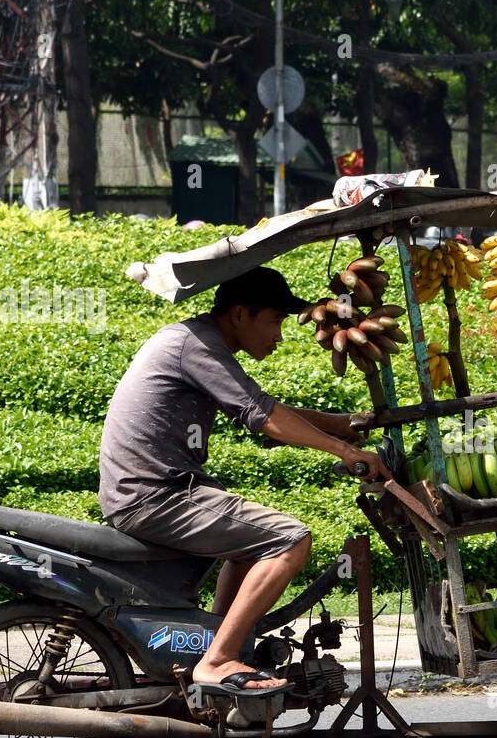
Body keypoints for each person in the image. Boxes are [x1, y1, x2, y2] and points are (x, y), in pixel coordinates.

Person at [98, 266, 388, 692]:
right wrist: (345, 450)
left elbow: (260, 406)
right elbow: (266, 418)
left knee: (252, 542)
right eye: (273, 321)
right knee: (289, 539)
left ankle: (214, 643)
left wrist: (339, 425)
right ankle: (217, 660)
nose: (279, 336)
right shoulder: (195, 347)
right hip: (155, 495)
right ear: (239, 315)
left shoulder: (194, 341)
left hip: (154, 489)